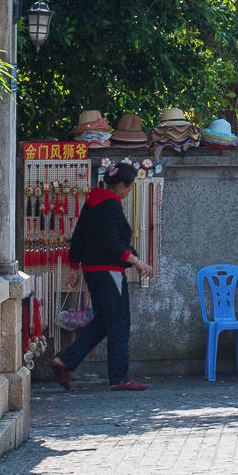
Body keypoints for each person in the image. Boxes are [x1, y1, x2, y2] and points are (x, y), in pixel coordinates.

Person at [54, 159, 153, 391]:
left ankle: (64, 362)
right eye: (129, 187)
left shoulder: (93, 202)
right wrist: (137, 262)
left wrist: (73, 267)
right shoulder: (112, 205)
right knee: (119, 322)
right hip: (109, 271)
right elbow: (112, 243)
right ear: (121, 185)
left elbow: (78, 236)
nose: (129, 192)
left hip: (91, 270)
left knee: (103, 321)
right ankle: (119, 378)